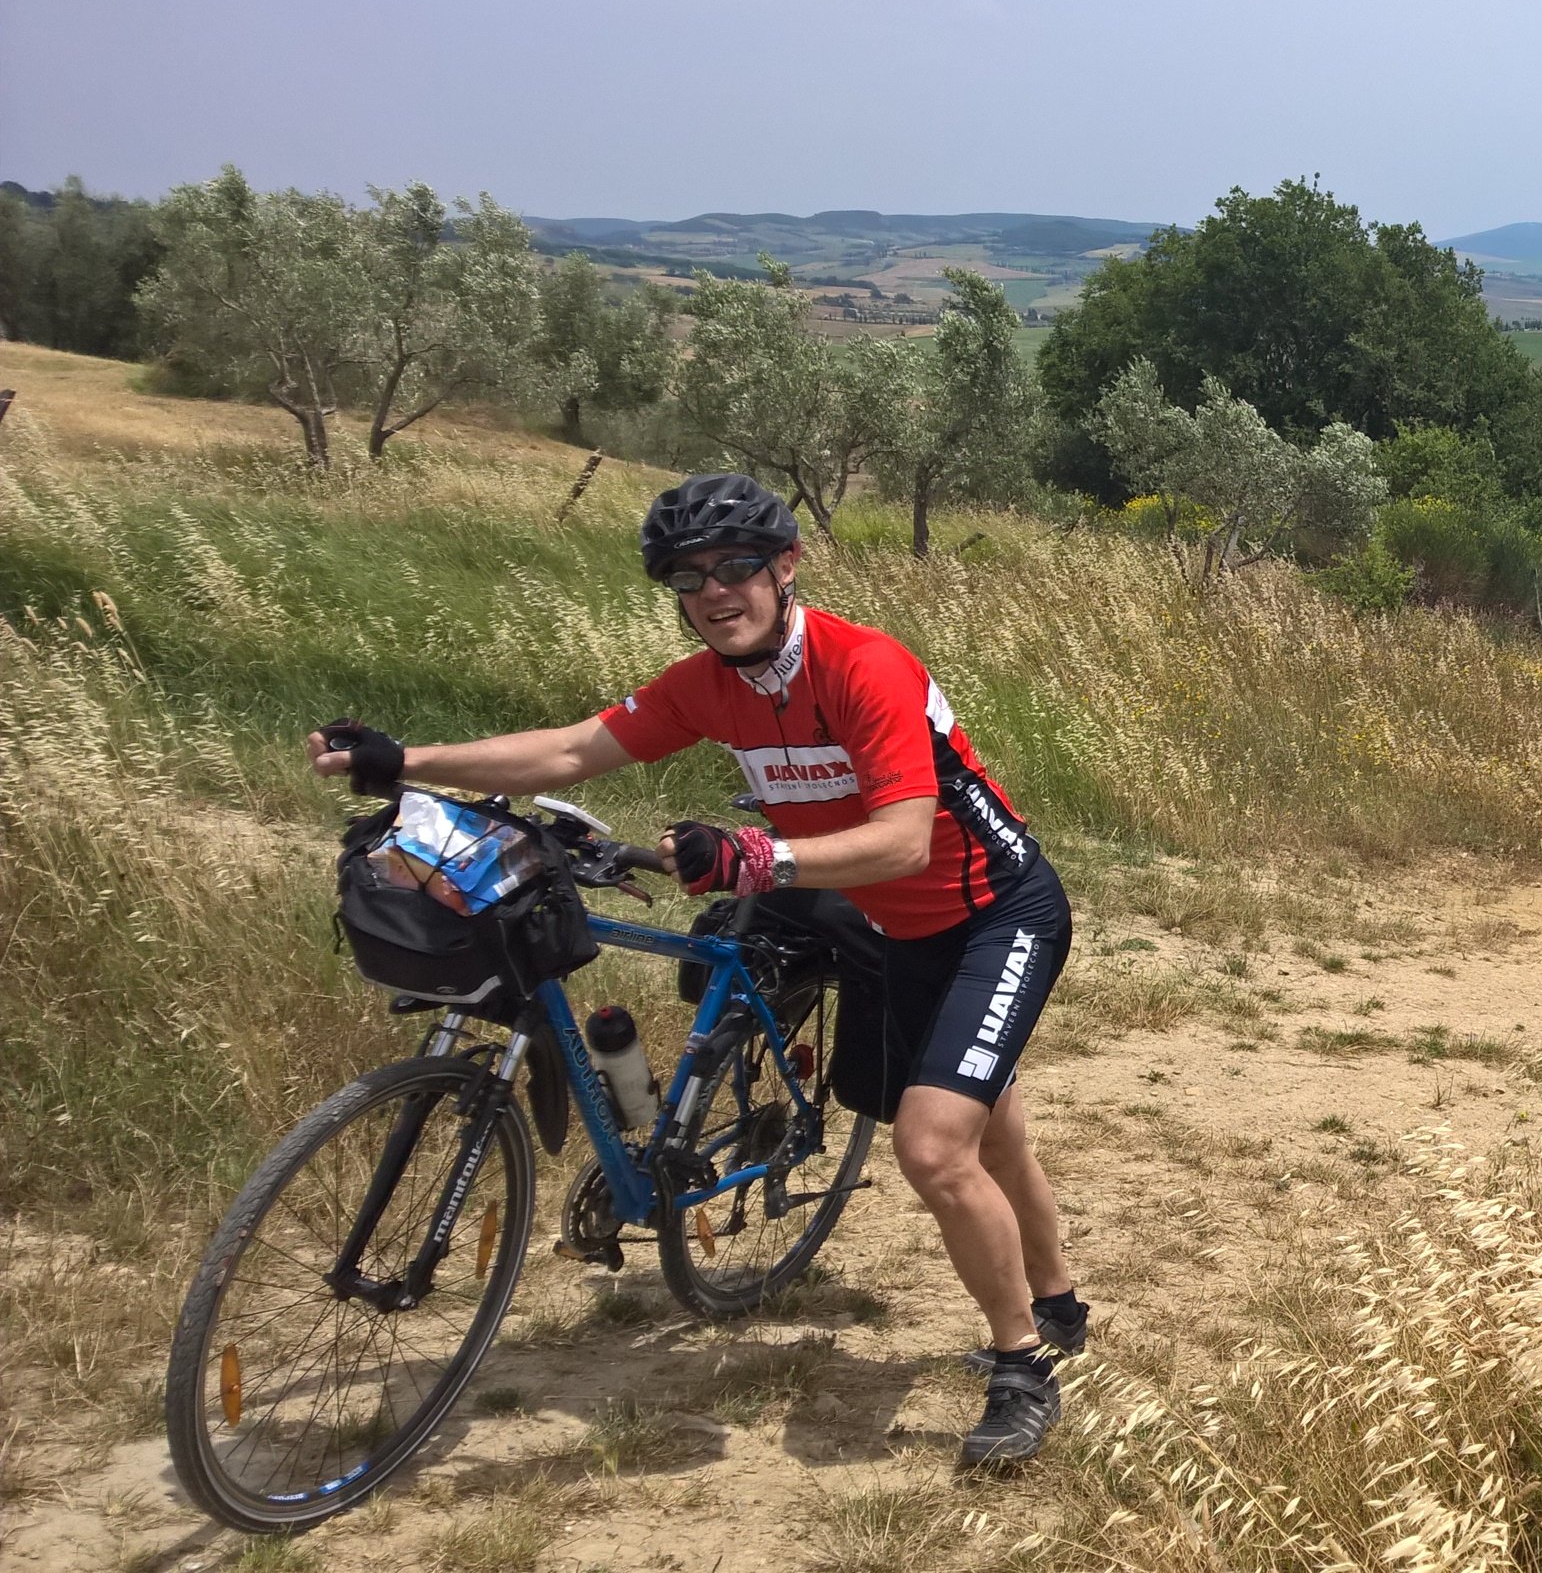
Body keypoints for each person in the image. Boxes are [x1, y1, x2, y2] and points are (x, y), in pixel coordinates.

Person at [307, 472, 1083, 1470]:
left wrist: (758, 857)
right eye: (688, 577)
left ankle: (1021, 1365)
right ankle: (1060, 1302)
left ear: (786, 566)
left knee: (934, 1149)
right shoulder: (706, 686)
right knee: (989, 1127)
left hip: (996, 916)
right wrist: (404, 761)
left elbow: (901, 841)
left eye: (737, 567)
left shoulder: (865, 668)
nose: (716, 591)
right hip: (891, 923)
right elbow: (566, 753)